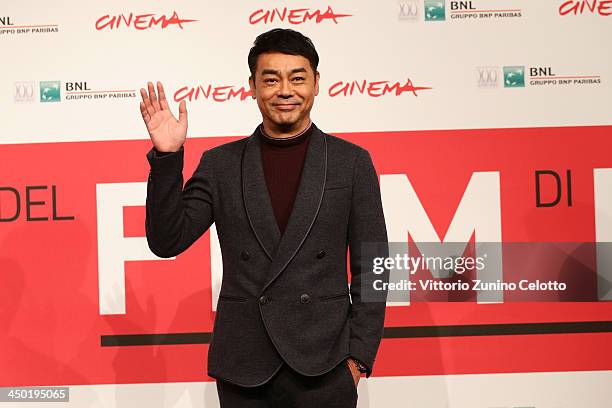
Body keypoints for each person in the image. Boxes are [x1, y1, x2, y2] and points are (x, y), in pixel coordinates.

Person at [140, 28, 389, 408]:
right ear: (252, 86)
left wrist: (357, 358)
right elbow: (166, 240)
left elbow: (374, 264)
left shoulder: (350, 163)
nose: (285, 90)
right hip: (245, 365)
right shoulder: (221, 164)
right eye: (271, 79)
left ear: (316, 83)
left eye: (298, 78)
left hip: (324, 364)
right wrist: (169, 157)